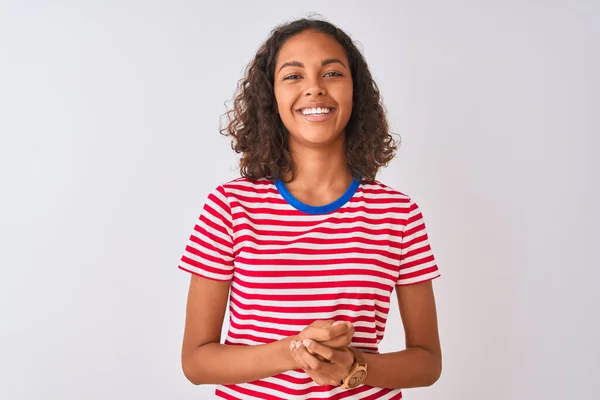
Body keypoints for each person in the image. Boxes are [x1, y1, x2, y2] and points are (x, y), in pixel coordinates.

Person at [178, 17, 442, 400]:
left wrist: (355, 366)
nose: (315, 88)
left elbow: (428, 362)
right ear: (271, 97)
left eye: (332, 72)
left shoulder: (397, 213)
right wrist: (295, 351)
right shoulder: (230, 206)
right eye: (293, 76)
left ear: (356, 92)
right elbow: (196, 363)